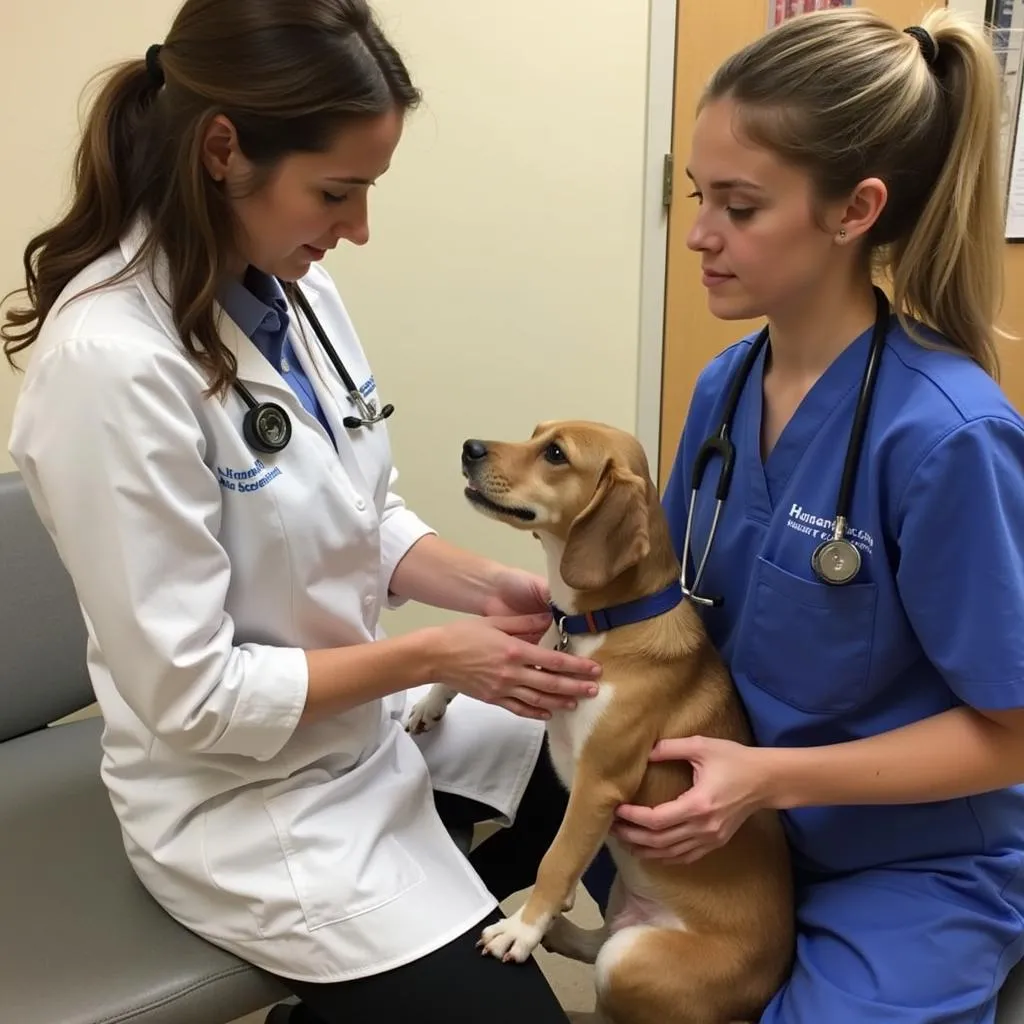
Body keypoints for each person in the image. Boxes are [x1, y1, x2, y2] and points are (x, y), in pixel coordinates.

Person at [1, 1, 604, 1021]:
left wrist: (488, 585)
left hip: (354, 734)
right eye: (337, 192)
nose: (357, 229)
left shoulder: (296, 296)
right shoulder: (109, 365)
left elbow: (359, 516)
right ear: (223, 151)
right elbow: (192, 696)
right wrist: (434, 656)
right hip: (244, 804)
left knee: (598, 772)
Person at [588, 6, 1024, 1023]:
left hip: (912, 858)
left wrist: (766, 778)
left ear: (853, 209)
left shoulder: (948, 437)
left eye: (738, 206)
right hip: (738, 830)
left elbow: (1013, 733)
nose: (697, 232)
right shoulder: (723, 394)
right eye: (699, 195)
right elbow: (681, 613)